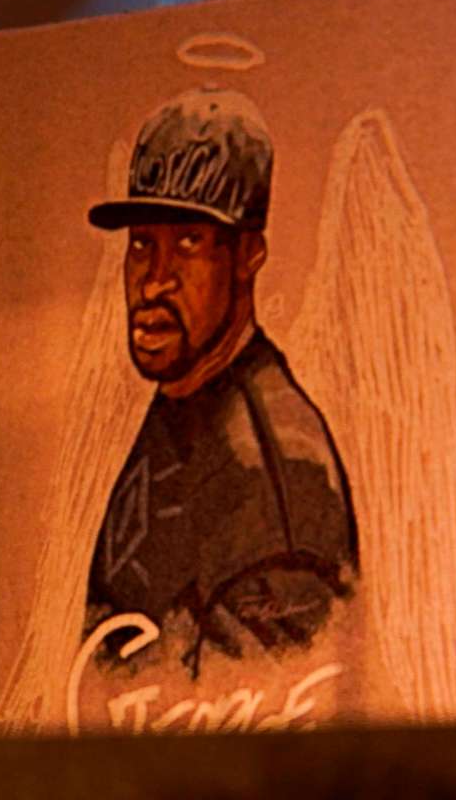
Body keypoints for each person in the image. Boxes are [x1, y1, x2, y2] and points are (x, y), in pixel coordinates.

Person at [83, 88, 358, 676]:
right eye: (141, 246)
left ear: (249, 254)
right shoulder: (181, 404)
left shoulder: (274, 468)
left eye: (188, 243)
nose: (154, 282)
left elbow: (257, 724)